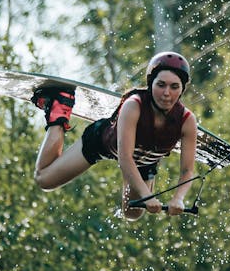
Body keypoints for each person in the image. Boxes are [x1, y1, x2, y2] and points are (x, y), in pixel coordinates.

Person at [32, 51, 198, 219]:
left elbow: (187, 170)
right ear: (150, 83)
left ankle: (138, 182)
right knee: (43, 180)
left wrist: (178, 199)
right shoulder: (134, 105)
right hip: (101, 143)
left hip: (144, 163)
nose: (167, 93)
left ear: (182, 88)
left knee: (132, 214)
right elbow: (125, 158)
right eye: (160, 85)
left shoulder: (187, 120)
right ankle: (59, 109)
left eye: (174, 87)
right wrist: (147, 196)